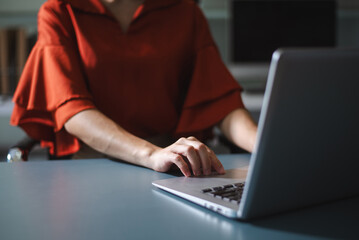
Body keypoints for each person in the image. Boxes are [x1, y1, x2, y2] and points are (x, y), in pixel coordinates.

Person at [10, 0, 257, 177]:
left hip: (173, 167)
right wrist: (151, 155)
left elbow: (221, 104)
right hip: (95, 166)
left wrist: (265, 146)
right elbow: (72, 110)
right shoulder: (60, 11)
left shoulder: (185, 11)